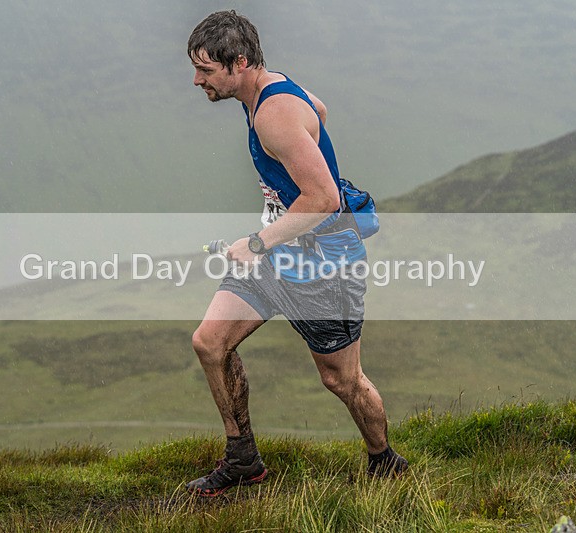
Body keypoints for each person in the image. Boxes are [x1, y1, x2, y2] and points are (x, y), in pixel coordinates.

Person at [186, 10, 408, 497]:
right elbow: (320, 111)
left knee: (342, 381)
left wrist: (259, 241)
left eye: (205, 69)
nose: (197, 79)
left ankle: (385, 462)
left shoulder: (273, 114)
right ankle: (242, 458)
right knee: (210, 342)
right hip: (282, 250)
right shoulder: (270, 90)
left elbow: (325, 199)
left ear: (239, 62)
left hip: (324, 261)